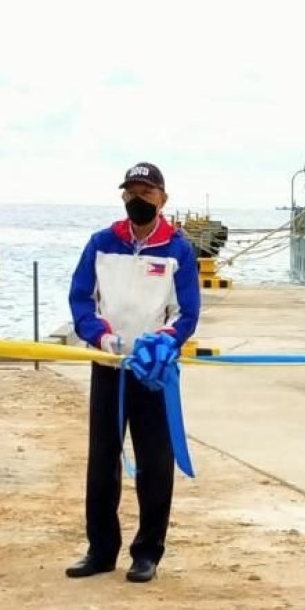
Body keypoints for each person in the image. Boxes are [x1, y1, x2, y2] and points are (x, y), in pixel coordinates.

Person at [66, 161, 201, 583]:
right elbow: (81, 299)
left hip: (154, 369)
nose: (137, 200)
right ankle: (101, 549)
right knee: (102, 458)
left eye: (146, 192)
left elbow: (187, 311)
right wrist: (100, 336)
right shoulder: (101, 243)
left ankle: (147, 552)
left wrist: (162, 340)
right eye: (130, 192)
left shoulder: (178, 249)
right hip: (108, 364)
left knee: (154, 461)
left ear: (163, 198)